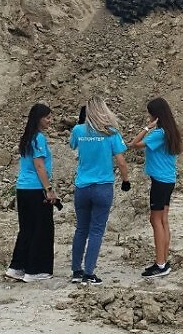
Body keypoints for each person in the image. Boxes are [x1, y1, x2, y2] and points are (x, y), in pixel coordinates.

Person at [69, 95, 131, 285]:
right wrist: (125, 180)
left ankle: (76, 271)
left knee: (81, 229)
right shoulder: (112, 132)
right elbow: (121, 161)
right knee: (96, 231)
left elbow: (73, 146)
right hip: (103, 186)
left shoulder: (78, 130)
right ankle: (89, 273)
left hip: (82, 186)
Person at [127, 97, 183, 279]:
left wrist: (146, 128)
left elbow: (134, 145)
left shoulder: (159, 133)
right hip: (167, 180)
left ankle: (160, 264)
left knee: (155, 220)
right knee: (163, 220)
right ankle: (163, 261)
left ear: (156, 115)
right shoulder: (171, 131)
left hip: (159, 181)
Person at [5, 103, 58, 283]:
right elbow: (39, 165)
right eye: (48, 118)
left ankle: (17, 267)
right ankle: (36, 270)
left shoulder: (26, 138)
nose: (50, 121)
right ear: (39, 119)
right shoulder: (39, 139)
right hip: (36, 189)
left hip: (22, 189)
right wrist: (48, 189)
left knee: (26, 229)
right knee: (42, 229)